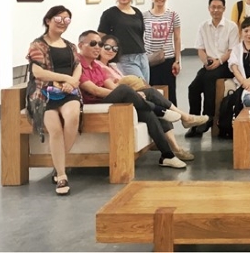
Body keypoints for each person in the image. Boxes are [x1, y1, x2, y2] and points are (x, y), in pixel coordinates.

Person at [77, 30, 188, 169]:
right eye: (93, 43)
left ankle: (167, 155)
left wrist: (133, 95)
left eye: (100, 44)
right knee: (124, 89)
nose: (97, 47)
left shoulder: (96, 65)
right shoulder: (77, 65)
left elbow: (110, 85)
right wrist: (127, 93)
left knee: (147, 113)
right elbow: (95, 90)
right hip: (95, 105)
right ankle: (160, 110)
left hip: (108, 101)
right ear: (80, 45)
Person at [97, 34, 209, 161]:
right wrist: (135, 92)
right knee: (150, 93)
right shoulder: (99, 67)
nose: (111, 51)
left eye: (114, 48)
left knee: (155, 110)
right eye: (107, 47)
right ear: (100, 47)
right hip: (117, 102)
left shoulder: (113, 66)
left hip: (127, 98)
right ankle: (184, 118)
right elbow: (116, 89)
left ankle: (174, 149)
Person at [27, 5, 82, 196]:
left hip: (68, 92)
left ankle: (59, 165)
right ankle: (61, 175)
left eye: (67, 20)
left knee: (72, 117)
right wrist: (64, 78)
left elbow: (78, 66)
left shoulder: (70, 46)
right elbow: (38, 72)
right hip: (44, 94)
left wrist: (72, 82)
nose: (62, 23)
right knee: (55, 130)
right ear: (48, 20)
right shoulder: (37, 45)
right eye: (58, 19)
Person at [186, 0, 239, 137]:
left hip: (226, 63)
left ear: (224, 9)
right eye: (213, 7)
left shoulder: (231, 27)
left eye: (219, 7)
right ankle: (194, 122)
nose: (216, 10)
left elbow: (232, 50)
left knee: (210, 77)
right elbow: (200, 49)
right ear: (209, 9)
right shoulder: (203, 26)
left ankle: (208, 117)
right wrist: (206, 61)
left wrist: (219, 61)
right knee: (193, 87)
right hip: (209, 64)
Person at [98, 0, 149, 81]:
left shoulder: (137, 12)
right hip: (124, 58)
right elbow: (101, 37)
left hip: (142, 56)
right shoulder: (109, 14)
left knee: (146, 86)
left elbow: (140, 34)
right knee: (140, 85)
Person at [143, 0, 182, 105]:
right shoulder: (144, 16)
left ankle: (172, 114)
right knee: (152, 91)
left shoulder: (173, 15)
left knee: (170, 92)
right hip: (150, 60)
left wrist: (177, 60)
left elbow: (177, 39)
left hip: (168, 59)